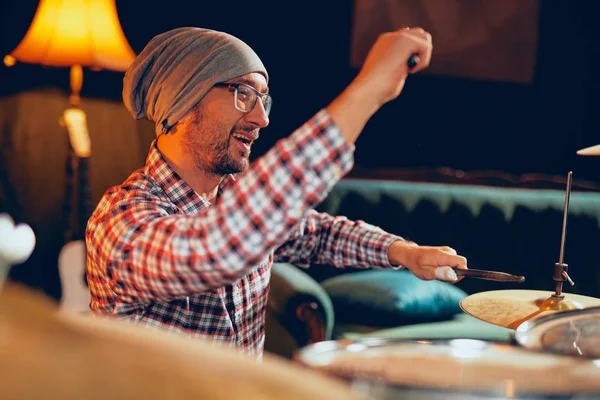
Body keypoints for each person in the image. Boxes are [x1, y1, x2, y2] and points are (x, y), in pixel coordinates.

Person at [86, 26, 467, 359]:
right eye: (243, 93)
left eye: (262, 99)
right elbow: (214, 249)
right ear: (183, 101)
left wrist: (403, 251)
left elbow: (316, 233)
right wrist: (367, 92)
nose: (261, 118)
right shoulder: (120, 219)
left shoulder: (233, 202)